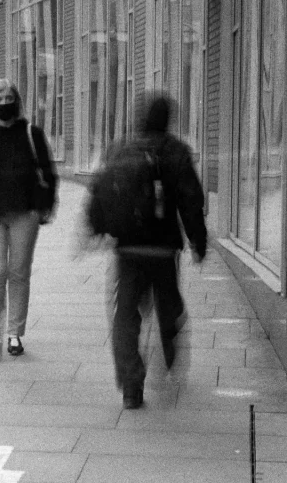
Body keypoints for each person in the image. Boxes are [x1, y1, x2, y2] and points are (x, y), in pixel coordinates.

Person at [89, 92, 208, 409]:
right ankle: (168, 357)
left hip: (127, 250)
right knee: (169, 308)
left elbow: (100, 191)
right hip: (164, 251)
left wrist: (98, 228)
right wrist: (198, 243)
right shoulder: (177, 151)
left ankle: (131, 386)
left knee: (125, 316)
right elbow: (191, 203)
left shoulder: (120, 149)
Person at [0, 78, 58, 358]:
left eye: (8, 98)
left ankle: (15, 333)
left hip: (24, 213)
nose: (4, 103)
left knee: (18, 272)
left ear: (16, 100)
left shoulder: (31, 133)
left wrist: (44, 205)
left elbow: (48, 173)